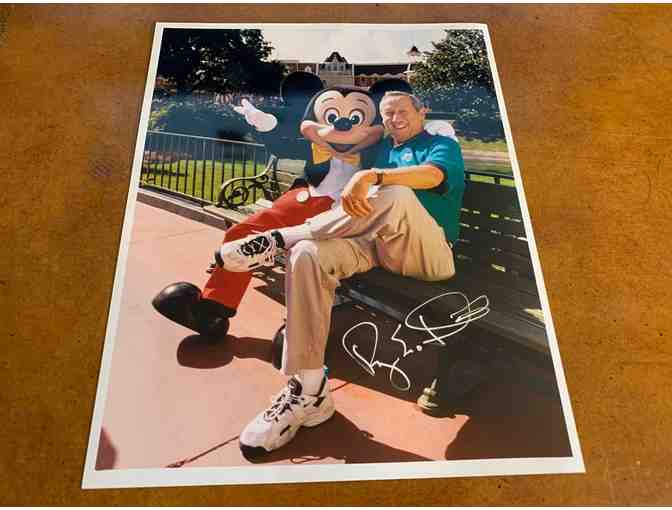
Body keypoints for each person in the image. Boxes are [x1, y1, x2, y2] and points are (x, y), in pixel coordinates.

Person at [217, 91, 466, 458]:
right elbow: (324, 147)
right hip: (379, 248)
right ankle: (309, 392)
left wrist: (372, 176)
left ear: (422, 111)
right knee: (307, 255)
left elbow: (433, 176)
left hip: (429, 256)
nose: (395, 118)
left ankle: (282, 238)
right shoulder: (384, 148)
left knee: (395, 193)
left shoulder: (440, 144)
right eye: (388, 113)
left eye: (403, 111)